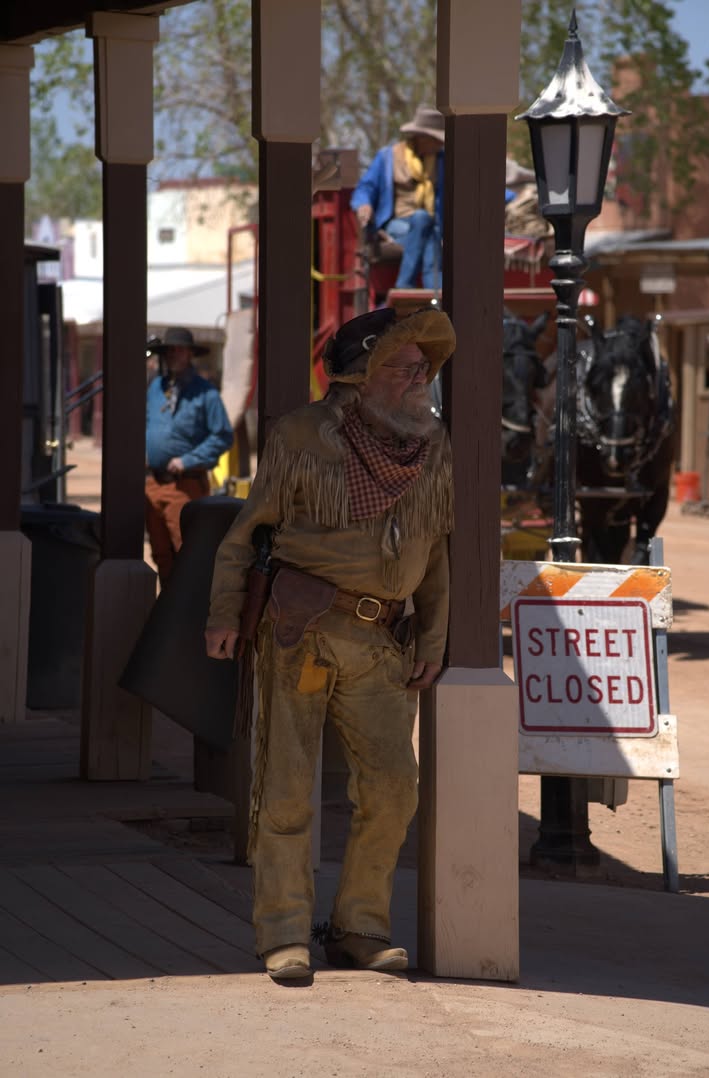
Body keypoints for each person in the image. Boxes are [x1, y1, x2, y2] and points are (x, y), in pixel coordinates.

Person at [205, 306, 455, 981]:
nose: (420, 376)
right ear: (361, 375)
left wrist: (433, 632)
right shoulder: (300, 437)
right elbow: (246, 535)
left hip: (384, 642)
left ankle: (359, 928)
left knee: (394, 788)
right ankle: (283, 932)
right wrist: (225, 614)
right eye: (404, 365)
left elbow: (436, 553)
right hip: (300, 631)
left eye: (424, 367)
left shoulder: (433, 445)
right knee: (286, 788)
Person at [145, 326, 234, 585]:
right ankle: (168, 614)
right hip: (153, 484)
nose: (174, 354)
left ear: (190, 354)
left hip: (186, 485)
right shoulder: (154, 389)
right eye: (170, 350)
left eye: (180, 350)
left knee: (187, 552)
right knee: (161, 553)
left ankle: (189, 616)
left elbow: (223, 435)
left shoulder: (206, 393)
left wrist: (187, 460)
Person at [350, 105, 445, 290]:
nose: (440, 145)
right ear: (421, 138)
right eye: (436, 140)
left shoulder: (443, 160)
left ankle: (408, 287)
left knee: (429, 231)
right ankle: (434, 292)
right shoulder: (388, 157)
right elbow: (365, 187)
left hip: (431, 227)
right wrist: (364, 204)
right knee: (422, 219)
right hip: (397, 225)